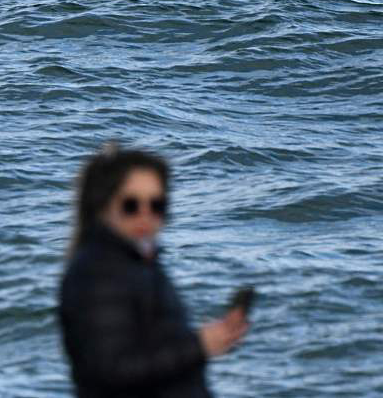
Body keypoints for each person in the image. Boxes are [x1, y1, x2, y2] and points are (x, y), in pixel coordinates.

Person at [58, 143, 249, 398]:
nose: (145, 214)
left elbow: (154, 357)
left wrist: (216, 339)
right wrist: (199, 346)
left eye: (157, 205)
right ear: (105, 206)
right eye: (131, 205)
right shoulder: (97, 272)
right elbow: (111, 371)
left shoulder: (137, 263)